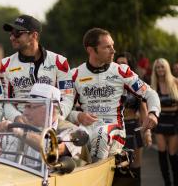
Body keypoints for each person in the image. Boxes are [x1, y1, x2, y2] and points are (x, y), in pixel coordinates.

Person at [67, 28, 160, 162]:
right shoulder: (75, 74)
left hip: (113, 130)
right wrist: (78, 115)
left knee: (101, 134)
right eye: (107, 47)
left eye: (113, 46)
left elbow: (150, 93)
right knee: (66, 140)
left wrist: (153, 113)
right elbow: (62, 108)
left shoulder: (121, 71)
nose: (113, 51)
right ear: (91, 50)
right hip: (86, 129)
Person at [0, 83, 82, 169]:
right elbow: (0, 159)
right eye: (25, 106)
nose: (25, 112)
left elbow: (53, 149)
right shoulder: (20, 126)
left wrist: (19, 133)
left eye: (31, 107)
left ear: (51, 110)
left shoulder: (73, 131)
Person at [0, 14, 74, 120]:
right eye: (11, 33)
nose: (12, 37)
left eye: (17, 33)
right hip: (21, 121)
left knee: (78, 135)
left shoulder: (59, 62)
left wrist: (55, 118)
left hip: (52, 121)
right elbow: (5, 101)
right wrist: (16, 117)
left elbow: (67, 97)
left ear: (34, 35)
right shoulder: (6, 64)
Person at [116, 52, 151, 185]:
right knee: (120, 168)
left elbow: (143, 108)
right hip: (116, 129)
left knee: (136, 167)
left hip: (133, 127)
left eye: (124, 63)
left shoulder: (136, 83)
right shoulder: (110, 83)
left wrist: (147, 131)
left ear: (129, 66)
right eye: (118, 63)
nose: (121, 66)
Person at [150, 58, 178, 186]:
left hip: (174, 122)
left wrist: (163, 108)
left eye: (162, 67)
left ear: (166, 68)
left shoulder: (175, 83)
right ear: (155, 70)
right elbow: (151, 107)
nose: (160, 69)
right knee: (162, 152)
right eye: (157, 67)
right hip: (160, 123)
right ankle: (167, 182)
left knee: (172, 154)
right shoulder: (153, 86)